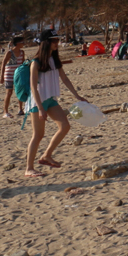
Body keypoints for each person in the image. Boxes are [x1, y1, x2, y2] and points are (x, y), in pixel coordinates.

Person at [24, 29, 88, 179]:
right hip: (37, 102)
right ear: (45, 43)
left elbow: (64, 79)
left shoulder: (54, 59)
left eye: (57, 40)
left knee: (65, 126)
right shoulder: (35, 62)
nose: (56, 43)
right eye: (53, 40)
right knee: (38, 135)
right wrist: (40, 108)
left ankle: (46, 155)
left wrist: (77, 95)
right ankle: (29, 168)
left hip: (51, 99)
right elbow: (33, 87)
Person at [0, 36, 27, 119]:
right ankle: (5, 112)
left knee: (20, 91)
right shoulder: (9, 52)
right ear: (18, 43)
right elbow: (3, 63)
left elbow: (22, 63)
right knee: (9, 92)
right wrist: (1, 76)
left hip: (18, 74)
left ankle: (20, 109)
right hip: (9, 75)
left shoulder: (22, 52)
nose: (24, 44)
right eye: (22, 42)